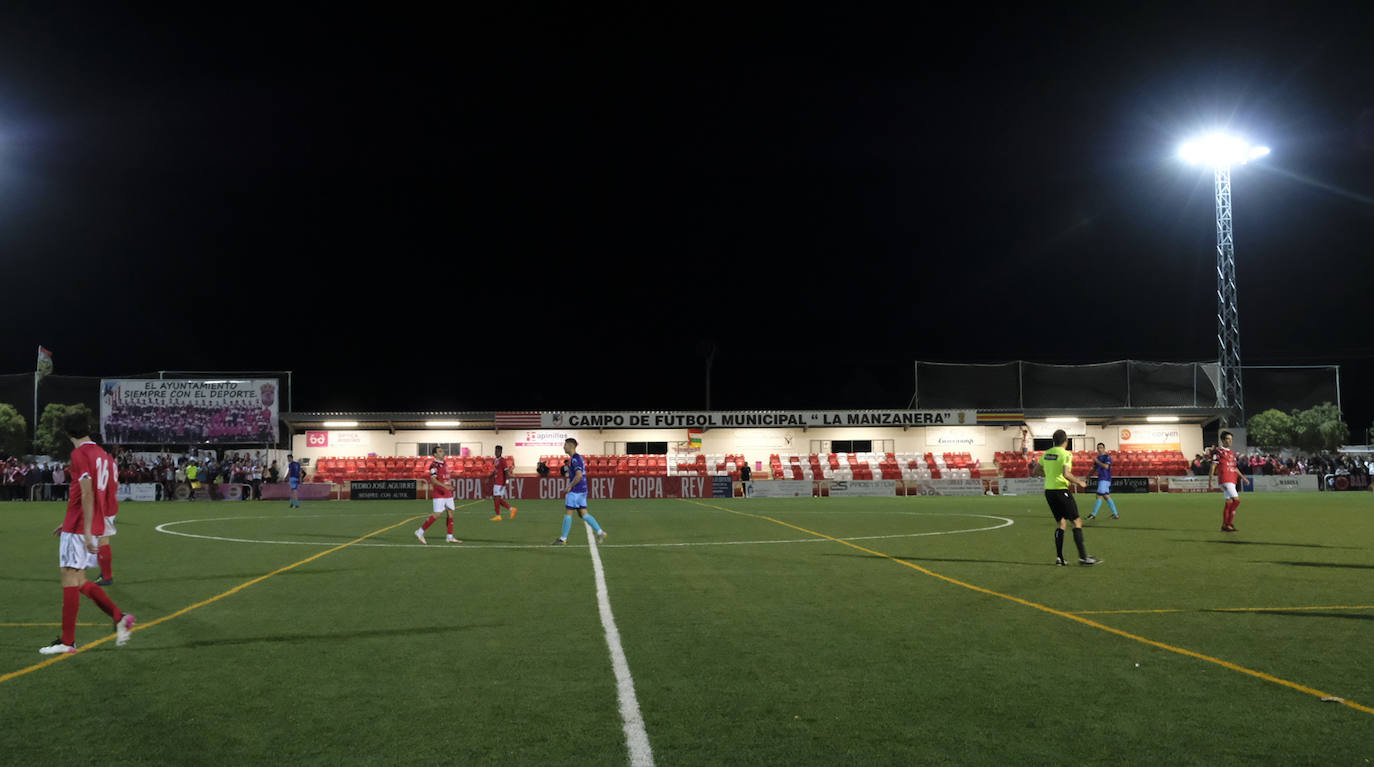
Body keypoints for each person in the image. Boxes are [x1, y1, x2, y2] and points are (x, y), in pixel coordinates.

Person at [40, 412, 134, 654]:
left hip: (80, 527)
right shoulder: (103, 455)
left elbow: (88, 493)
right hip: (87, 524)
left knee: (70, 579)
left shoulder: (79, 454)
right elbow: (101, 493)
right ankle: (118, 616)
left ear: (67, 433)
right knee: (80, 581)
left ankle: (67, 642)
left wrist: (86, 529)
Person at [1032, 429, 1100, 567]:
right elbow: (1066, 473)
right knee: (1077, 521)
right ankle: (1083, 557)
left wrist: (1049, 475)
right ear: (1066, 441)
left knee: (1062, 523)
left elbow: (1036, 471)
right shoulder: (1066, 454)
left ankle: (1060, 558)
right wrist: (1079, 482)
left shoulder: (1047, 453)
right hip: (1061, 490)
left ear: (1054, 441)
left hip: (1049, 492)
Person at [552, 438, 606, 546]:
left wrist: (569, 486)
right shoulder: (576, 458)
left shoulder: (575, 459)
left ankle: (563, 539)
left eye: (565, 444)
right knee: (583, 514)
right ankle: (600, 532)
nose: (564, 447)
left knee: (568, 513)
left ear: (571, 446)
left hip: (576, 490)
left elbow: (579, 475)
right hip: (582, 489)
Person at [416, 446, 461, 544]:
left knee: (450, 512)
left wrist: (448, 487)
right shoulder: (433, 465)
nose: (442, 452)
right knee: (437, 514)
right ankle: (420, 531)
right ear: (435, 455)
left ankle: (449, 536)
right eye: (440, 451)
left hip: (447, 493)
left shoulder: (444, 463)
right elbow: (433, 479)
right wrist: (446, 486)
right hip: (440, 493)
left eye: (442, 450)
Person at [1209, 431, 1252, 532]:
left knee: (1229, 502)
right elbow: (1213, 466)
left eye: (1231, 439)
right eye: (1228, 439)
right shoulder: (1218, 452)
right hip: (1225, 478)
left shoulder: (1232, 453)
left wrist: (1244, 478)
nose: (1230, 441)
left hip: (1232, 479)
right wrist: (1210, 480)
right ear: (1223, 440)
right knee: (1237, 501)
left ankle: (1224, 525)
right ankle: (1229, 523)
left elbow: (1235, 468)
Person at [92, 445, 120, 586]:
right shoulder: (111, 460)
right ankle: (105, 572)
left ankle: (107, 576)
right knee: (101, 539)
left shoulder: (100, 460)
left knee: (102, 539)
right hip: (110, 503)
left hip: (104, 505)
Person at [1084, 442, 1119, 520]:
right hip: (1102, 479)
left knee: (1098, 495)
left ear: (1104, 448)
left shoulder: (1107, 457)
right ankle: (1115, 514)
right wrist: (1088, 477)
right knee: (1106, 496)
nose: (1099, 449)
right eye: (1098, 448)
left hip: (1105, 478)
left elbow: (1106, 466)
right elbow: (1094, 469)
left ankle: (1093, 514)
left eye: (1101, 447)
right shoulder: (1098, 458)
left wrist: (1097, 462)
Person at [488, 445, 517, 521]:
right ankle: (511, 509)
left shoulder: (503, 460)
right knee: (496, 498)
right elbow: (495, 470)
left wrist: (507, 482)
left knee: (496, 498)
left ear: (501, 452)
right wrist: (490, 476)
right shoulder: (495, 460)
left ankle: (498, 515)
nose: (496, 452)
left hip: (500, 482)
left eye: (498, 451)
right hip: (496, 481)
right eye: (495, 451)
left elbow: (506, 472)